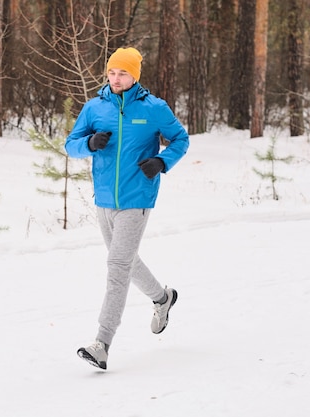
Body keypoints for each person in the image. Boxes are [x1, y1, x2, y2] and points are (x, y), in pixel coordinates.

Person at [65, 47, 189, 370]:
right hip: (104, 200)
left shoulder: (153, 109)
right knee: (127, 261)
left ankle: (102, 343)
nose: (116, 78)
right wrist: (89, 144)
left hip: (137, 198)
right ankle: (163, 299)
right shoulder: (95, 108)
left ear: (134, 75)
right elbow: (70, 144)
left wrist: (162, 161)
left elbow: (181, 139)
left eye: (122, 73)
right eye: (111, 72)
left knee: (117, 266)